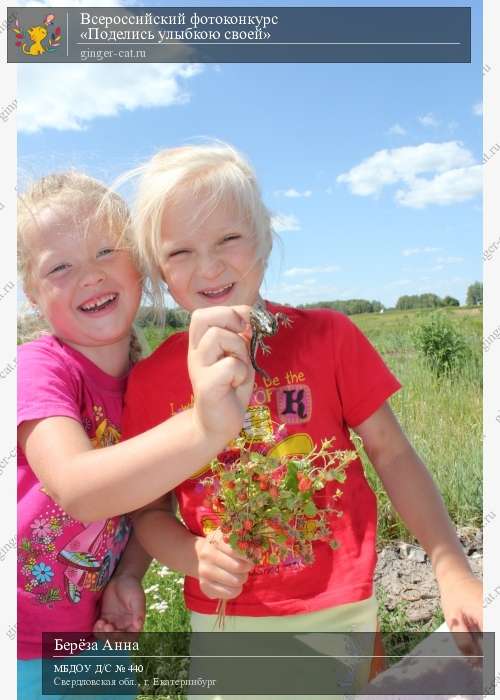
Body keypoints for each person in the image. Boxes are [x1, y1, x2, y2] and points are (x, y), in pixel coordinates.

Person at [122, 143, 483, 698]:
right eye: (180, 252)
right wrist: (189, 555)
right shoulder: (152, 380)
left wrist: (450, 565)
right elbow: (148, 512)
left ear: (264, 237)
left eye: (229, 239)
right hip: (223, 619)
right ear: (156, 268)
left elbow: (392, 453)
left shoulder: (331, 338)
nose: (210, 266)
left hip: (339, 608)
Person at [17, 171, 255, 700]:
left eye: (105, 251)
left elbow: (150, 504)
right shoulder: (39, 368)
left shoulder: (150, 381)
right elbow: (79, 488)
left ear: (141, 267)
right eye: (60, 267)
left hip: (97, 635)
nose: (89, 275)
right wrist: (201, 425)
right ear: (33, 295)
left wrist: (128, 575)